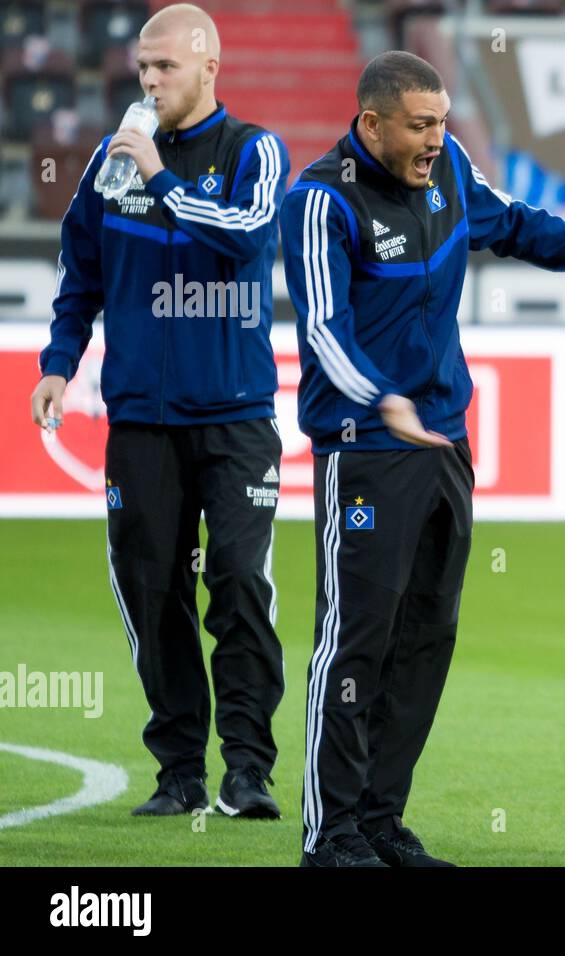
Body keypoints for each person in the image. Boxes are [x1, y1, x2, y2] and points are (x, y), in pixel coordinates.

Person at [281, 51, 565, 868]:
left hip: (445, 444)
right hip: (366, 449)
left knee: (427, 634)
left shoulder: (452, 170)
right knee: (354, 638)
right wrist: (380, 397)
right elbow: (322, 329)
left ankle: (383, 822)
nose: (437, 138)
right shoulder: (320, 201)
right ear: (371, 124)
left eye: (443, 121)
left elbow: (523, 226)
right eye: (421, 125)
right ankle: (332, 833)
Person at [29, 3, 290, 819]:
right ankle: (179, 771)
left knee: (241, 585)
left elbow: (244, 239)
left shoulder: (254, 151)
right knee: (152, 590)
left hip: (235, 416)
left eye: (164, 67)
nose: (148, 81)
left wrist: (161, 180)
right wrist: (58, 365)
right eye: (142, 68)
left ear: (209, 65)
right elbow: (81, 278)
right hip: (140, 418)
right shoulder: (111, 163)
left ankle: (248, 770)